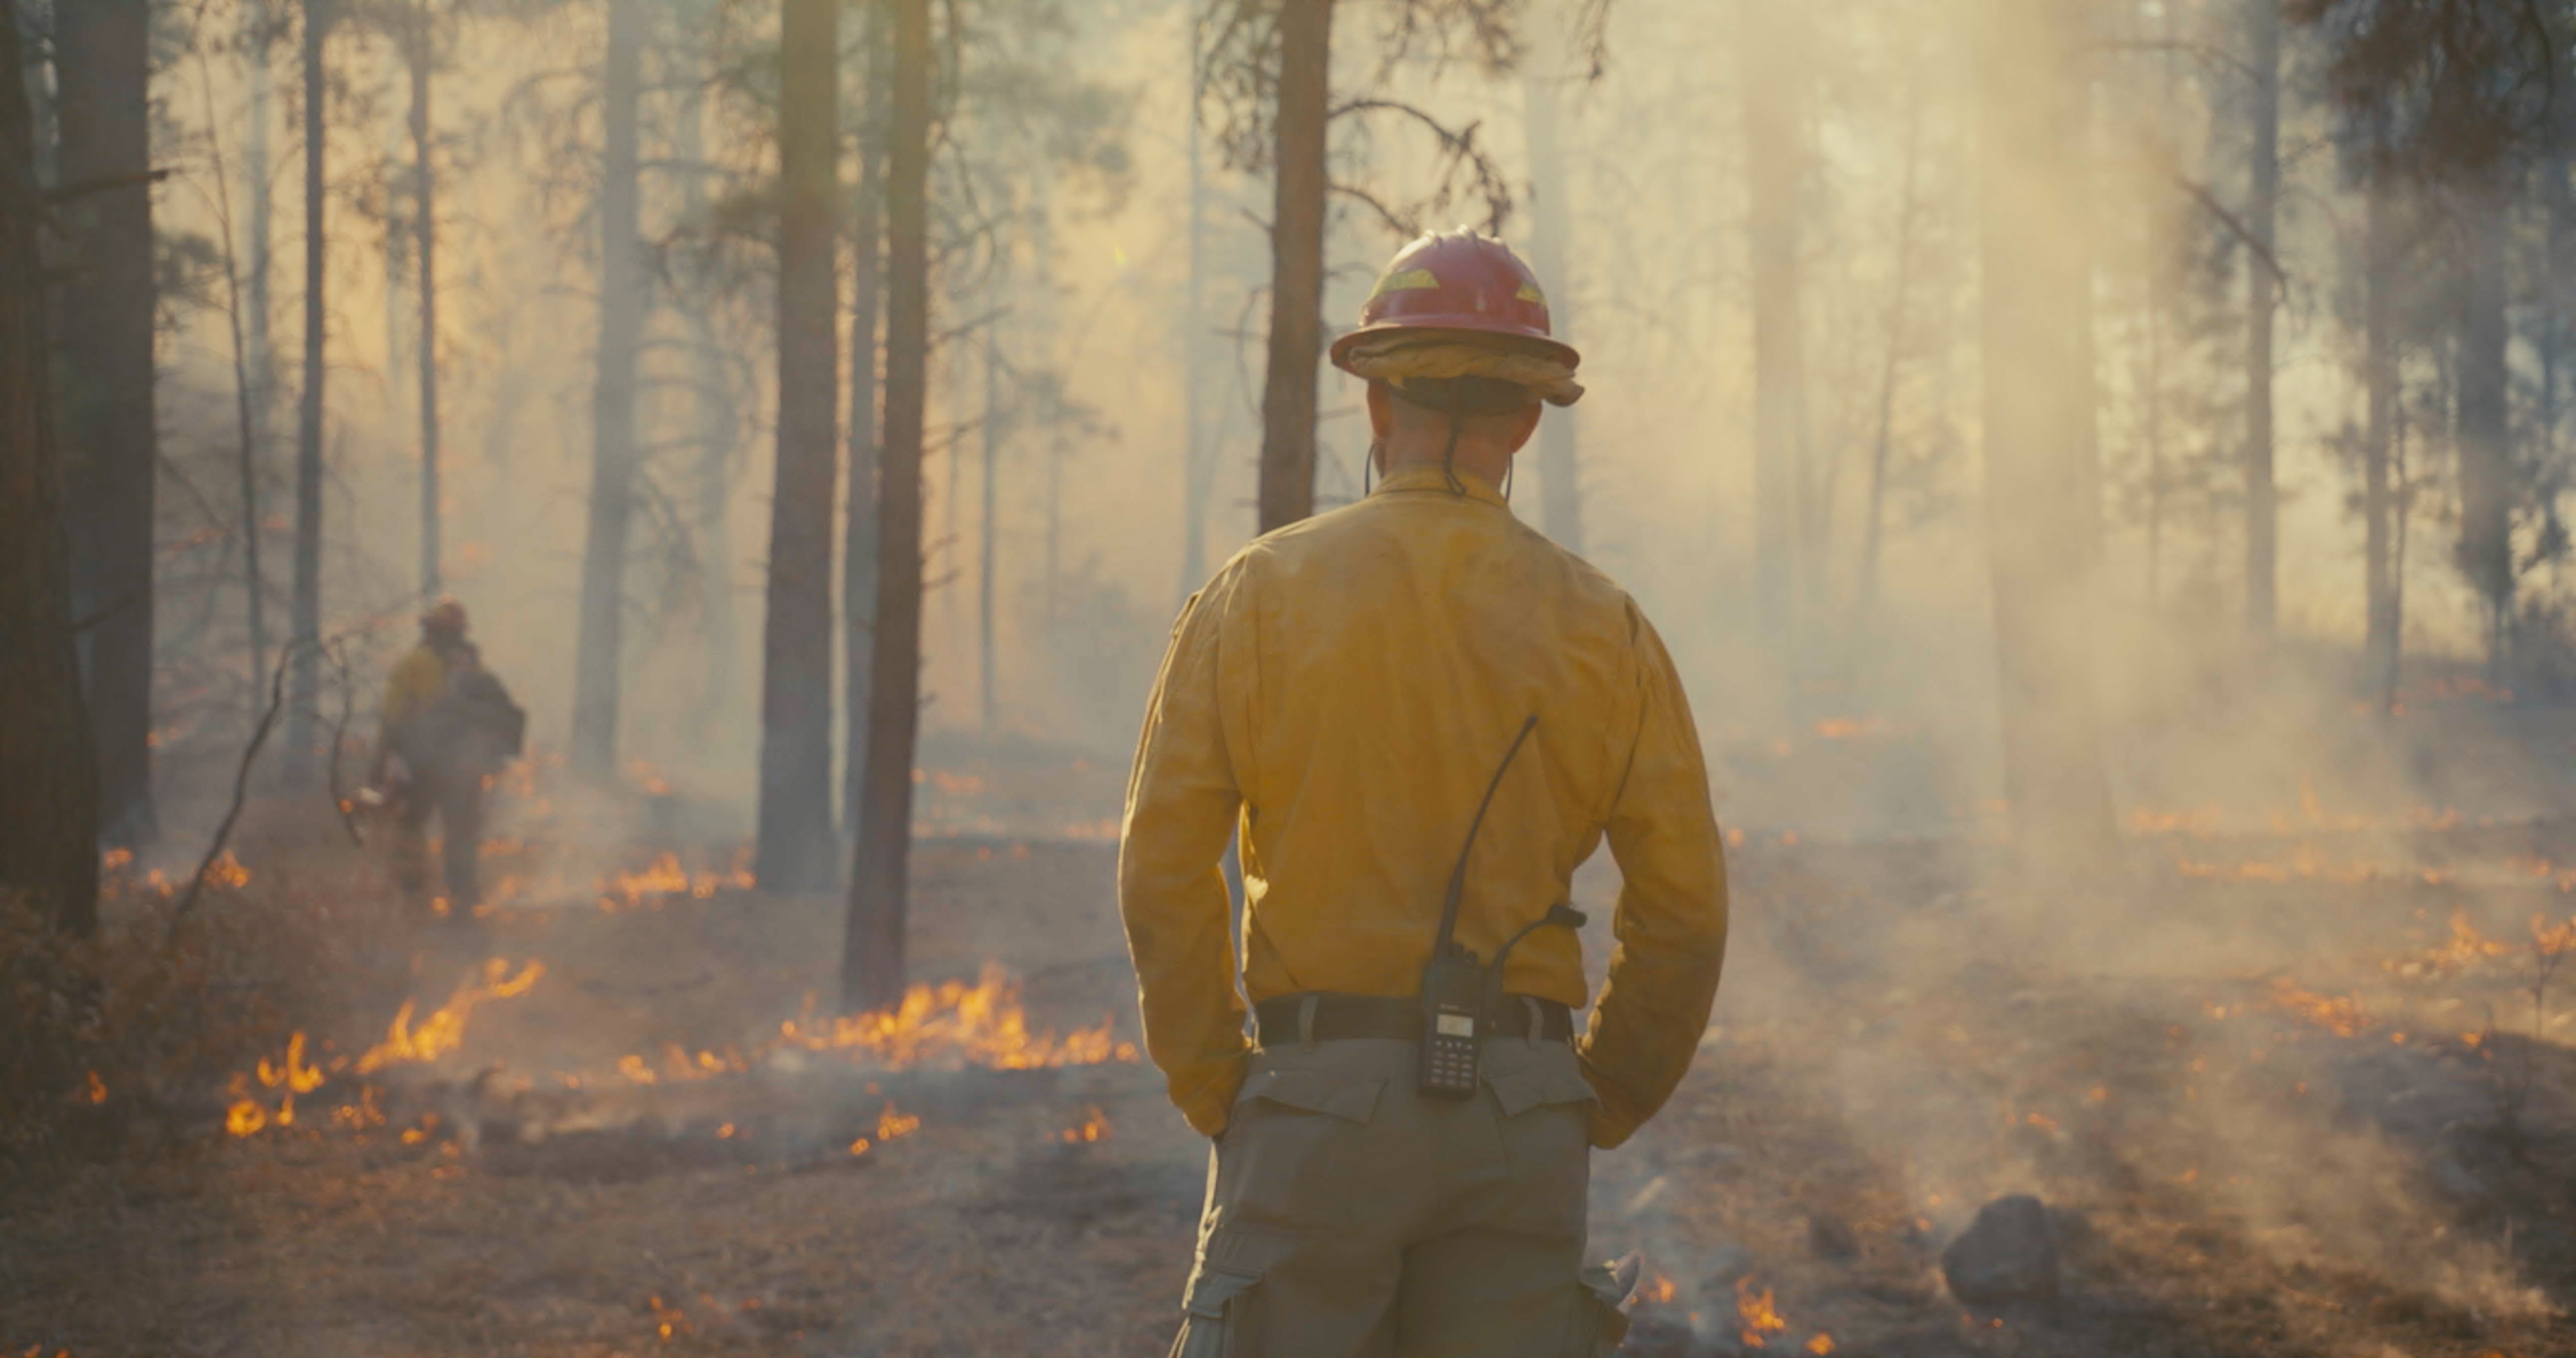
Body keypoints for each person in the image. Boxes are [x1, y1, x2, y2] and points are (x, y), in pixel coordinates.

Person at [1121, 230, 1730, 1357]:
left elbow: (1162, 866)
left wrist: (1219, 1083)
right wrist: (1593, 1096)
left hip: (1313, 1113)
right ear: (1528, 421)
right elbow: (1684, 907)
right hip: (1520, 1123)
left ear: (1377, 406)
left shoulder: (1257, 597)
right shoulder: (1605, 627)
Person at [375, 598, 524, 919]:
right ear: (460, 632)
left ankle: (413, 897)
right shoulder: (476, 668)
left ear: (429, 630)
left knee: (410, 829)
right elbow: (498, 714)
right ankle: (464, 899)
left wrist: (383, 763)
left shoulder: (413, 663)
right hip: (464, 768)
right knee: (461, 834)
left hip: (420, 766)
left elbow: (392, 716)